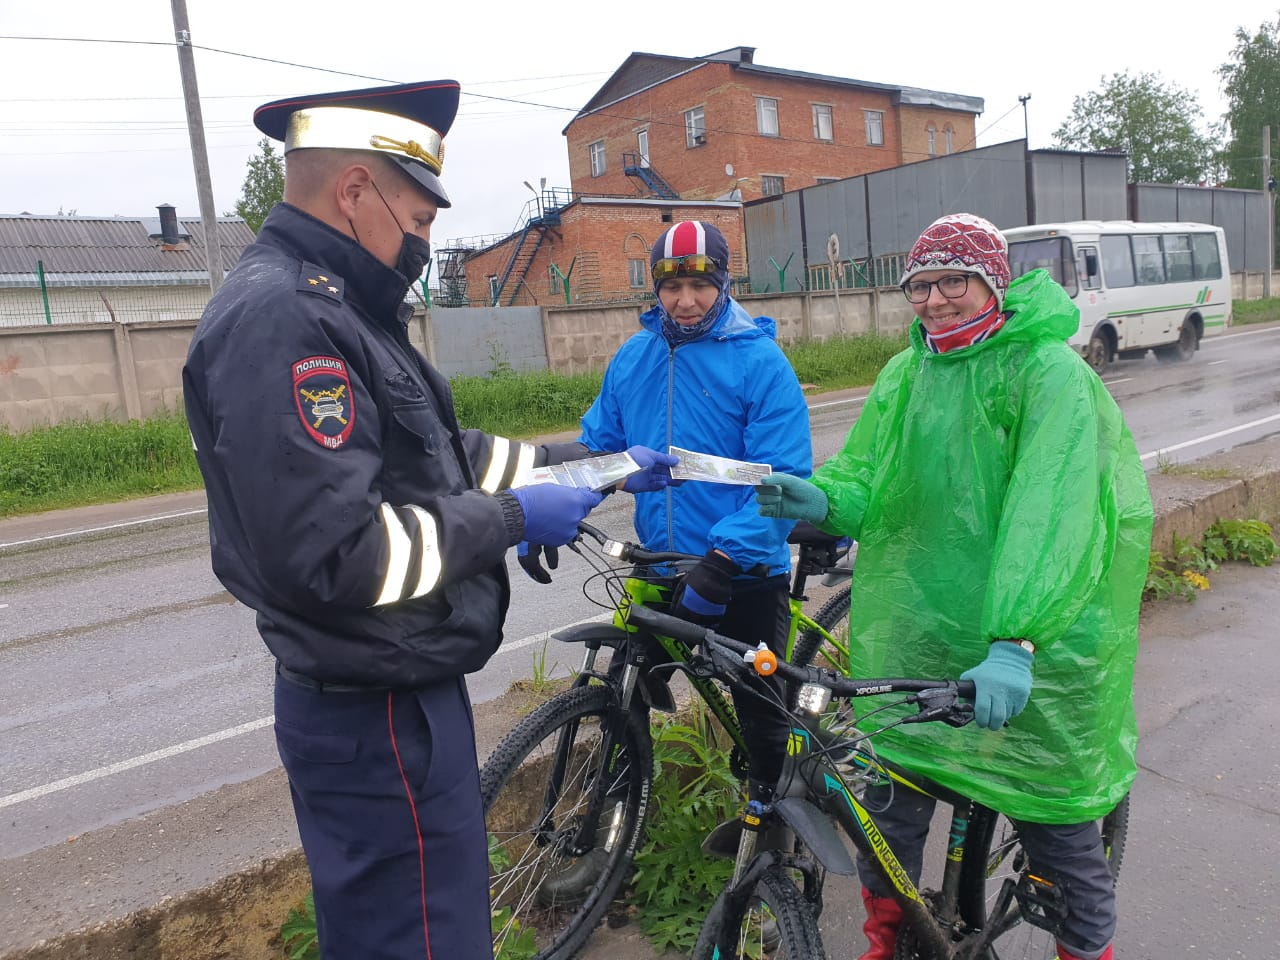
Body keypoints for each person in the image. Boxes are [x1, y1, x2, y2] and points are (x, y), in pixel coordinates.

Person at [181, 79, 667, 960]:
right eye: (419, 218)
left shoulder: (338, 311)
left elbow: (438, 455)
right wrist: (513, 520)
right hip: (376, 717)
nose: (424, 243)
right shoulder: (289, 322)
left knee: (427, 932)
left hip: (401, 700)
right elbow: (335, 556)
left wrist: (602, 468)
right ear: (355, 192)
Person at [756, 213, 1152, 960]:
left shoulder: (1048, 373)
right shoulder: (908, 373)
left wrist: (1016, 637)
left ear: (991, 284)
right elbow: (874, 475)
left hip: (1038, 647)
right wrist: (825, 499)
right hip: (921, 635)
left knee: (1059, 835)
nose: (934, 300)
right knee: (888, 814)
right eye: (920, 285)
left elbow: (1053, 511)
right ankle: (892, 944)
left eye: (952, 281)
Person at [520, 219, 813, 834]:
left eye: (700, 286)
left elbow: (782, 480)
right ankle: (615, 829)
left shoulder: (760, 362)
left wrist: (727, 561)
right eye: (672, 286)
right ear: (655, 287)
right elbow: (599, 451)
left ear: (723, 282)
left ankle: (772, 847)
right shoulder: (634, 358)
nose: (685, 301)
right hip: (658, 566)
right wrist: (540, 509)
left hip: (743, 573)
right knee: (627, 678)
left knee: (763, 722)